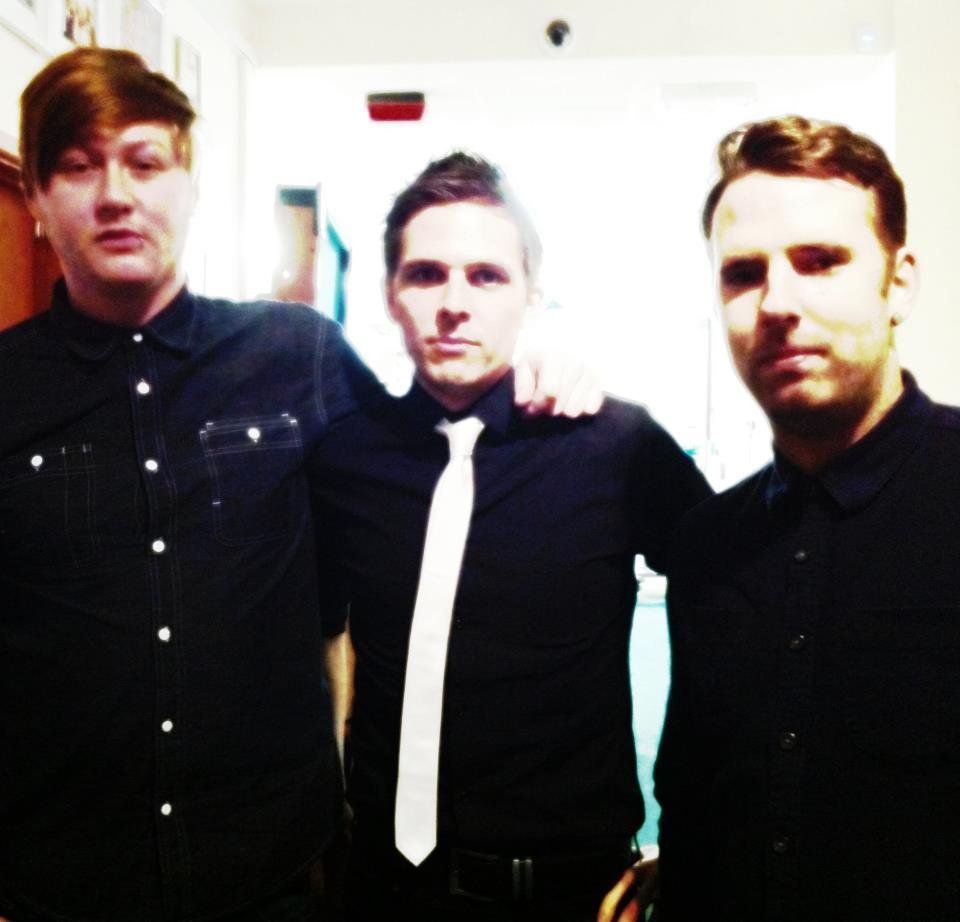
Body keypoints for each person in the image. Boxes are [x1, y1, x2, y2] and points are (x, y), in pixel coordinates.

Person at [1, 48, 593, 922]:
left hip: (278, 876)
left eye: (145, 162)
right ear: (36, 198)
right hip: (58, 887)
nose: (116, 195)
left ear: (191, 185)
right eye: (80, 167)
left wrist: (527, 369)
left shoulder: (296, 354)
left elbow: (434, 458)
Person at [311, 152, 712, 921]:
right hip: (379, 890)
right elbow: (320, 638)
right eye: (426, 275)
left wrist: (697, 832)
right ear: (391, 294)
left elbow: (737, 607)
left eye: (487, 277)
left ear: (531, 295)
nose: (454, 304)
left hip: (570, 896)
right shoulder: (348, 458)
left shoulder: (613, 446)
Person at [651, 115, 960, 921]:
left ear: (899, 283)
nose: (777, 303)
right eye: (743, 273)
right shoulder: (705, 544)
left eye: (821, 261)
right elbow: (693, 798)